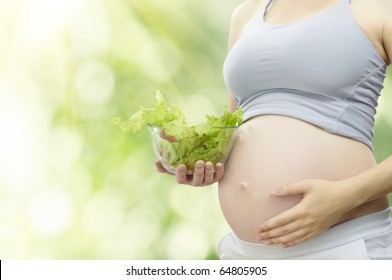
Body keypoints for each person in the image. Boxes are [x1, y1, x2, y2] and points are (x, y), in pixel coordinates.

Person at [156, 0, 392, 259]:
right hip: (244, 254)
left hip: (342, 245)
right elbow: (236, 127)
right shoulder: (246, 14)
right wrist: (199, 156)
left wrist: (344, 197)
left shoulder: (377, 8)